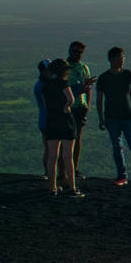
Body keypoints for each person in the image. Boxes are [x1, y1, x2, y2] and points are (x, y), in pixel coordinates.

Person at [95, 47, 131, 188]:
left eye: (123, 58)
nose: (122, 61)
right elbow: (99, 100)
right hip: (112, 118)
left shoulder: (128, 74)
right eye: (120, 58)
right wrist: (101, 119)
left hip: (128, 117)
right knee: (117, 147)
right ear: (111, 60)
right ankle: (123, 176)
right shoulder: (103, 78)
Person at [40, 57, 83, 198]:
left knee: (52, 156)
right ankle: (72, 187)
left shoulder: (45, 85)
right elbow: (71, 99)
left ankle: (52, 188)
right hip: (65, 121)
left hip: (51, 121)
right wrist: (66, 108)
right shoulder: (63, 83)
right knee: (68, 156)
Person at [64, 40, 94, 177]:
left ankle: (74, 168)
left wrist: (87, 106)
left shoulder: (84, 68)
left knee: (77, 138)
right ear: (70, 50)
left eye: (80, 52)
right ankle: (63, 171)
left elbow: (88, 90)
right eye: (75, 51)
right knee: (65, 139)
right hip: (67, 107)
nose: (77, 54)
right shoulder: (64, 67)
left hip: (80, 107)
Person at [32, 60, 50, 178]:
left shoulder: (40, 84)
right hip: (47, 120)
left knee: (49, 148)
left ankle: (49, 173)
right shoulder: (43, 86)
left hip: (44, 120)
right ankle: (49, 173)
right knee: (50, 149)